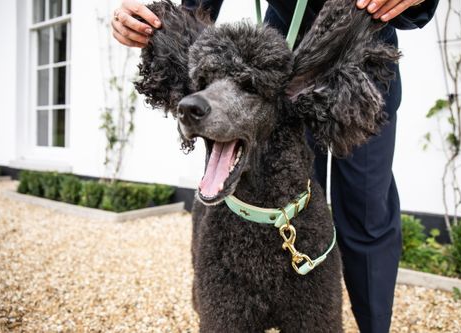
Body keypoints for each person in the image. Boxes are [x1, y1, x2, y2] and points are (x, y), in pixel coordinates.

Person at [111, 0, 438, 332]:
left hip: (351, 52)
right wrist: (157, 25)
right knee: (252, 174)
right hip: (278, 39)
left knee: (365, 213)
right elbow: (194, 13)